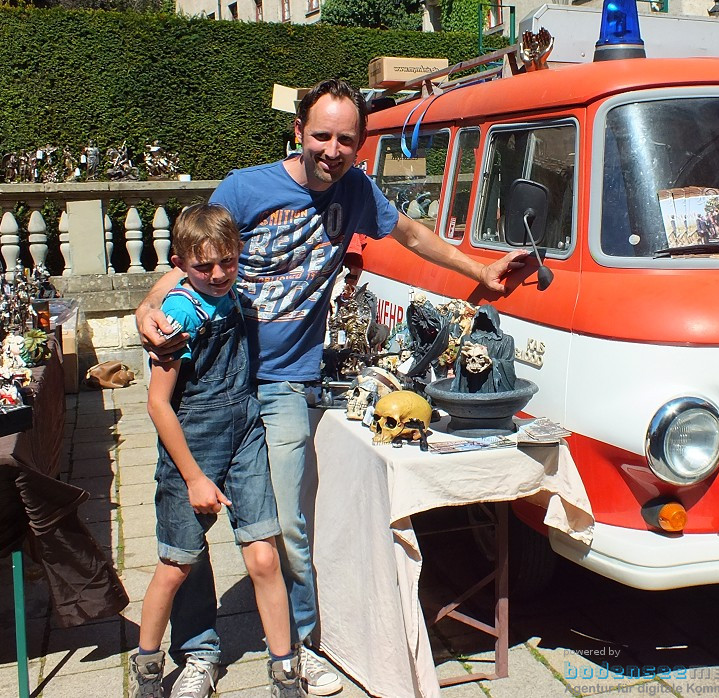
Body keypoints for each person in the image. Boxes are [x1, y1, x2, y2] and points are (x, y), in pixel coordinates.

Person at [136, 78, 526, 695]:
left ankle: (297, 646)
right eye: (322, 135)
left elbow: (414, 236)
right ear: (299, 132)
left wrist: (478, 269)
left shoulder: (358, 192)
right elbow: (191, 257)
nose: (332, 149)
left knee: (285, 522)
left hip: (285, 383)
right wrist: (145, 310)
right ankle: (200, 652)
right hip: (209, 384)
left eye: (347, 138)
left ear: (360, 144)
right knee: (191, 527)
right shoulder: (246, 188)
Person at [129, 204, 306, 698]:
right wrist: (193, 478)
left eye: (227, 261)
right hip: (193, 447)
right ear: (181, 262)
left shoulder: (233, 297)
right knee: (176, 565)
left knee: (264, 559)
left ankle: (284, 666)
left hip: (244, 435)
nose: (218, 273)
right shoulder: (182, 313)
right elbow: (158, 404)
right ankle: (146, 667)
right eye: (204, 266)